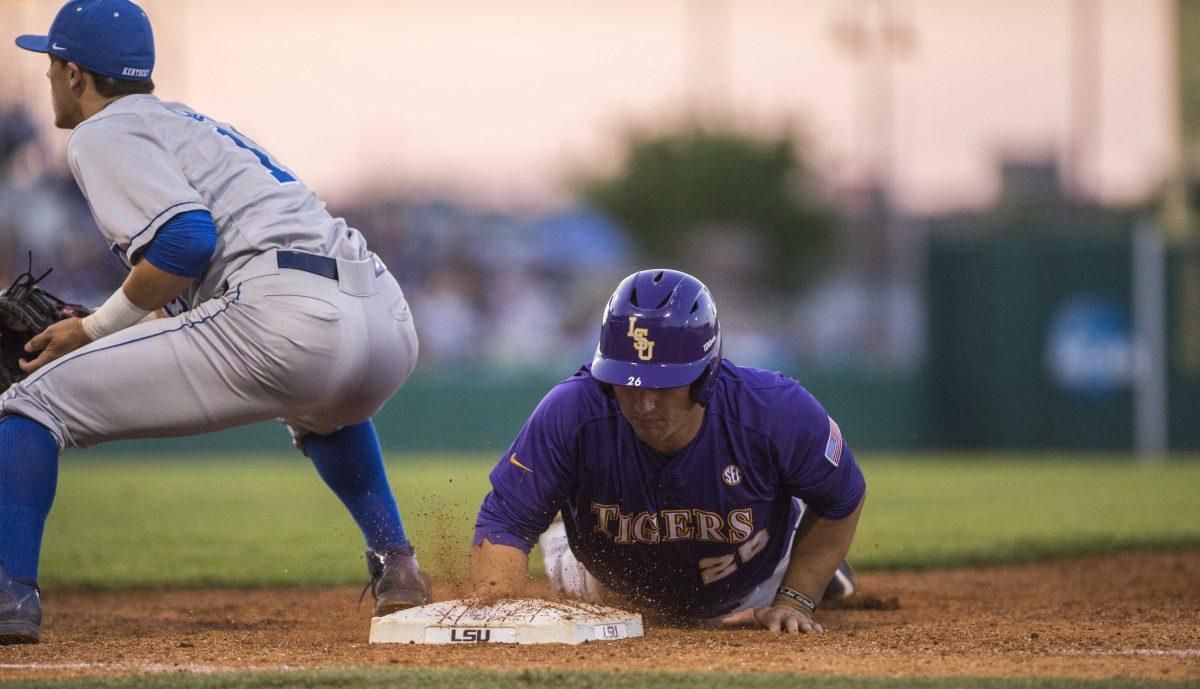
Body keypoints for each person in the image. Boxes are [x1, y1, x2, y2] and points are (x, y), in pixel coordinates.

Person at [1, 0, 429, 644]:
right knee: (325, 411)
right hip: (385, 320)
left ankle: (10, 599)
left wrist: (91, 333)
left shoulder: (100, 132)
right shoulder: (192, 125)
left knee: (29, 406)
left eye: (52, 64)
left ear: (73, 74)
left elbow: (184, 244)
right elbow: (197, 266)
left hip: (284, 317)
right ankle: (398, 566)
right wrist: (103, 322)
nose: (51, 77)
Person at [470, 269, 866, 633]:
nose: (644, 405)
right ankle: (561, 534)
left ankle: (815, 575)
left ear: (705, 375)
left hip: (757, 583)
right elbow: (505, 520)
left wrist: (795, 598)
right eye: (627, 382)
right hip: (610, 592)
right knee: (566, 571)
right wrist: (498, 618)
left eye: (664, 385)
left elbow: (842, 497)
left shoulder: (776, 410)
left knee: (795, 572)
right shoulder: (571, 411)